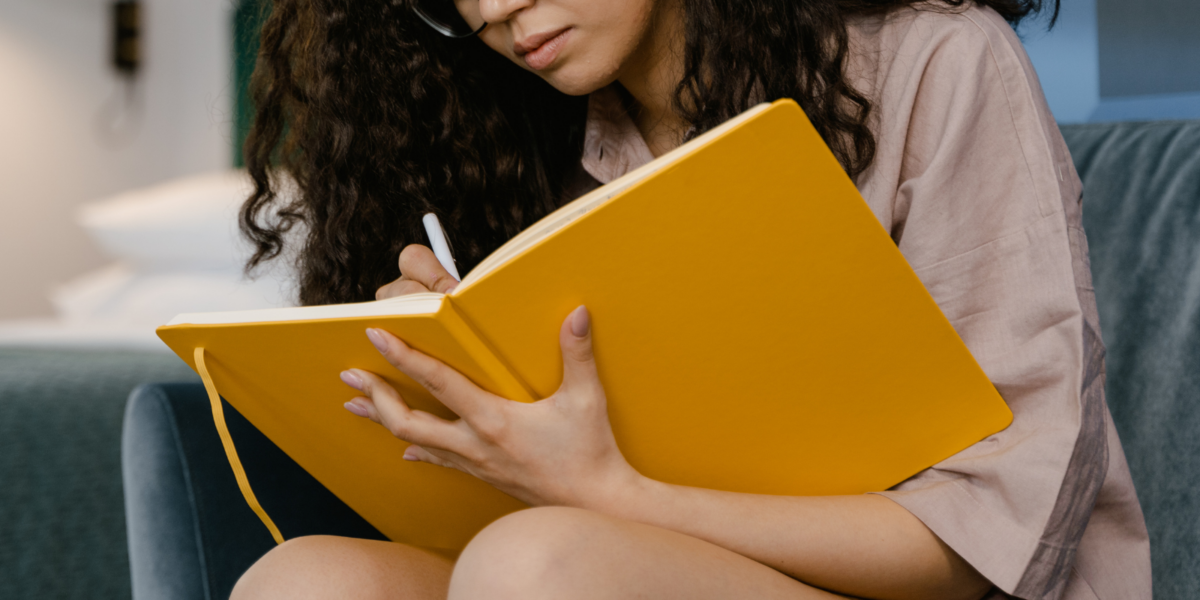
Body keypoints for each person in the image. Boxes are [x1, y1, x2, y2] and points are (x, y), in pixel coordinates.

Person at [230, 0, 1151, 598]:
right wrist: (450, 379)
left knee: (539, 567)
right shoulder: (508, 140)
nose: (494, 10)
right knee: (303, 583)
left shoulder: (937, 63)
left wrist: (604, 492)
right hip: (641, 566)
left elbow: (984, 544)